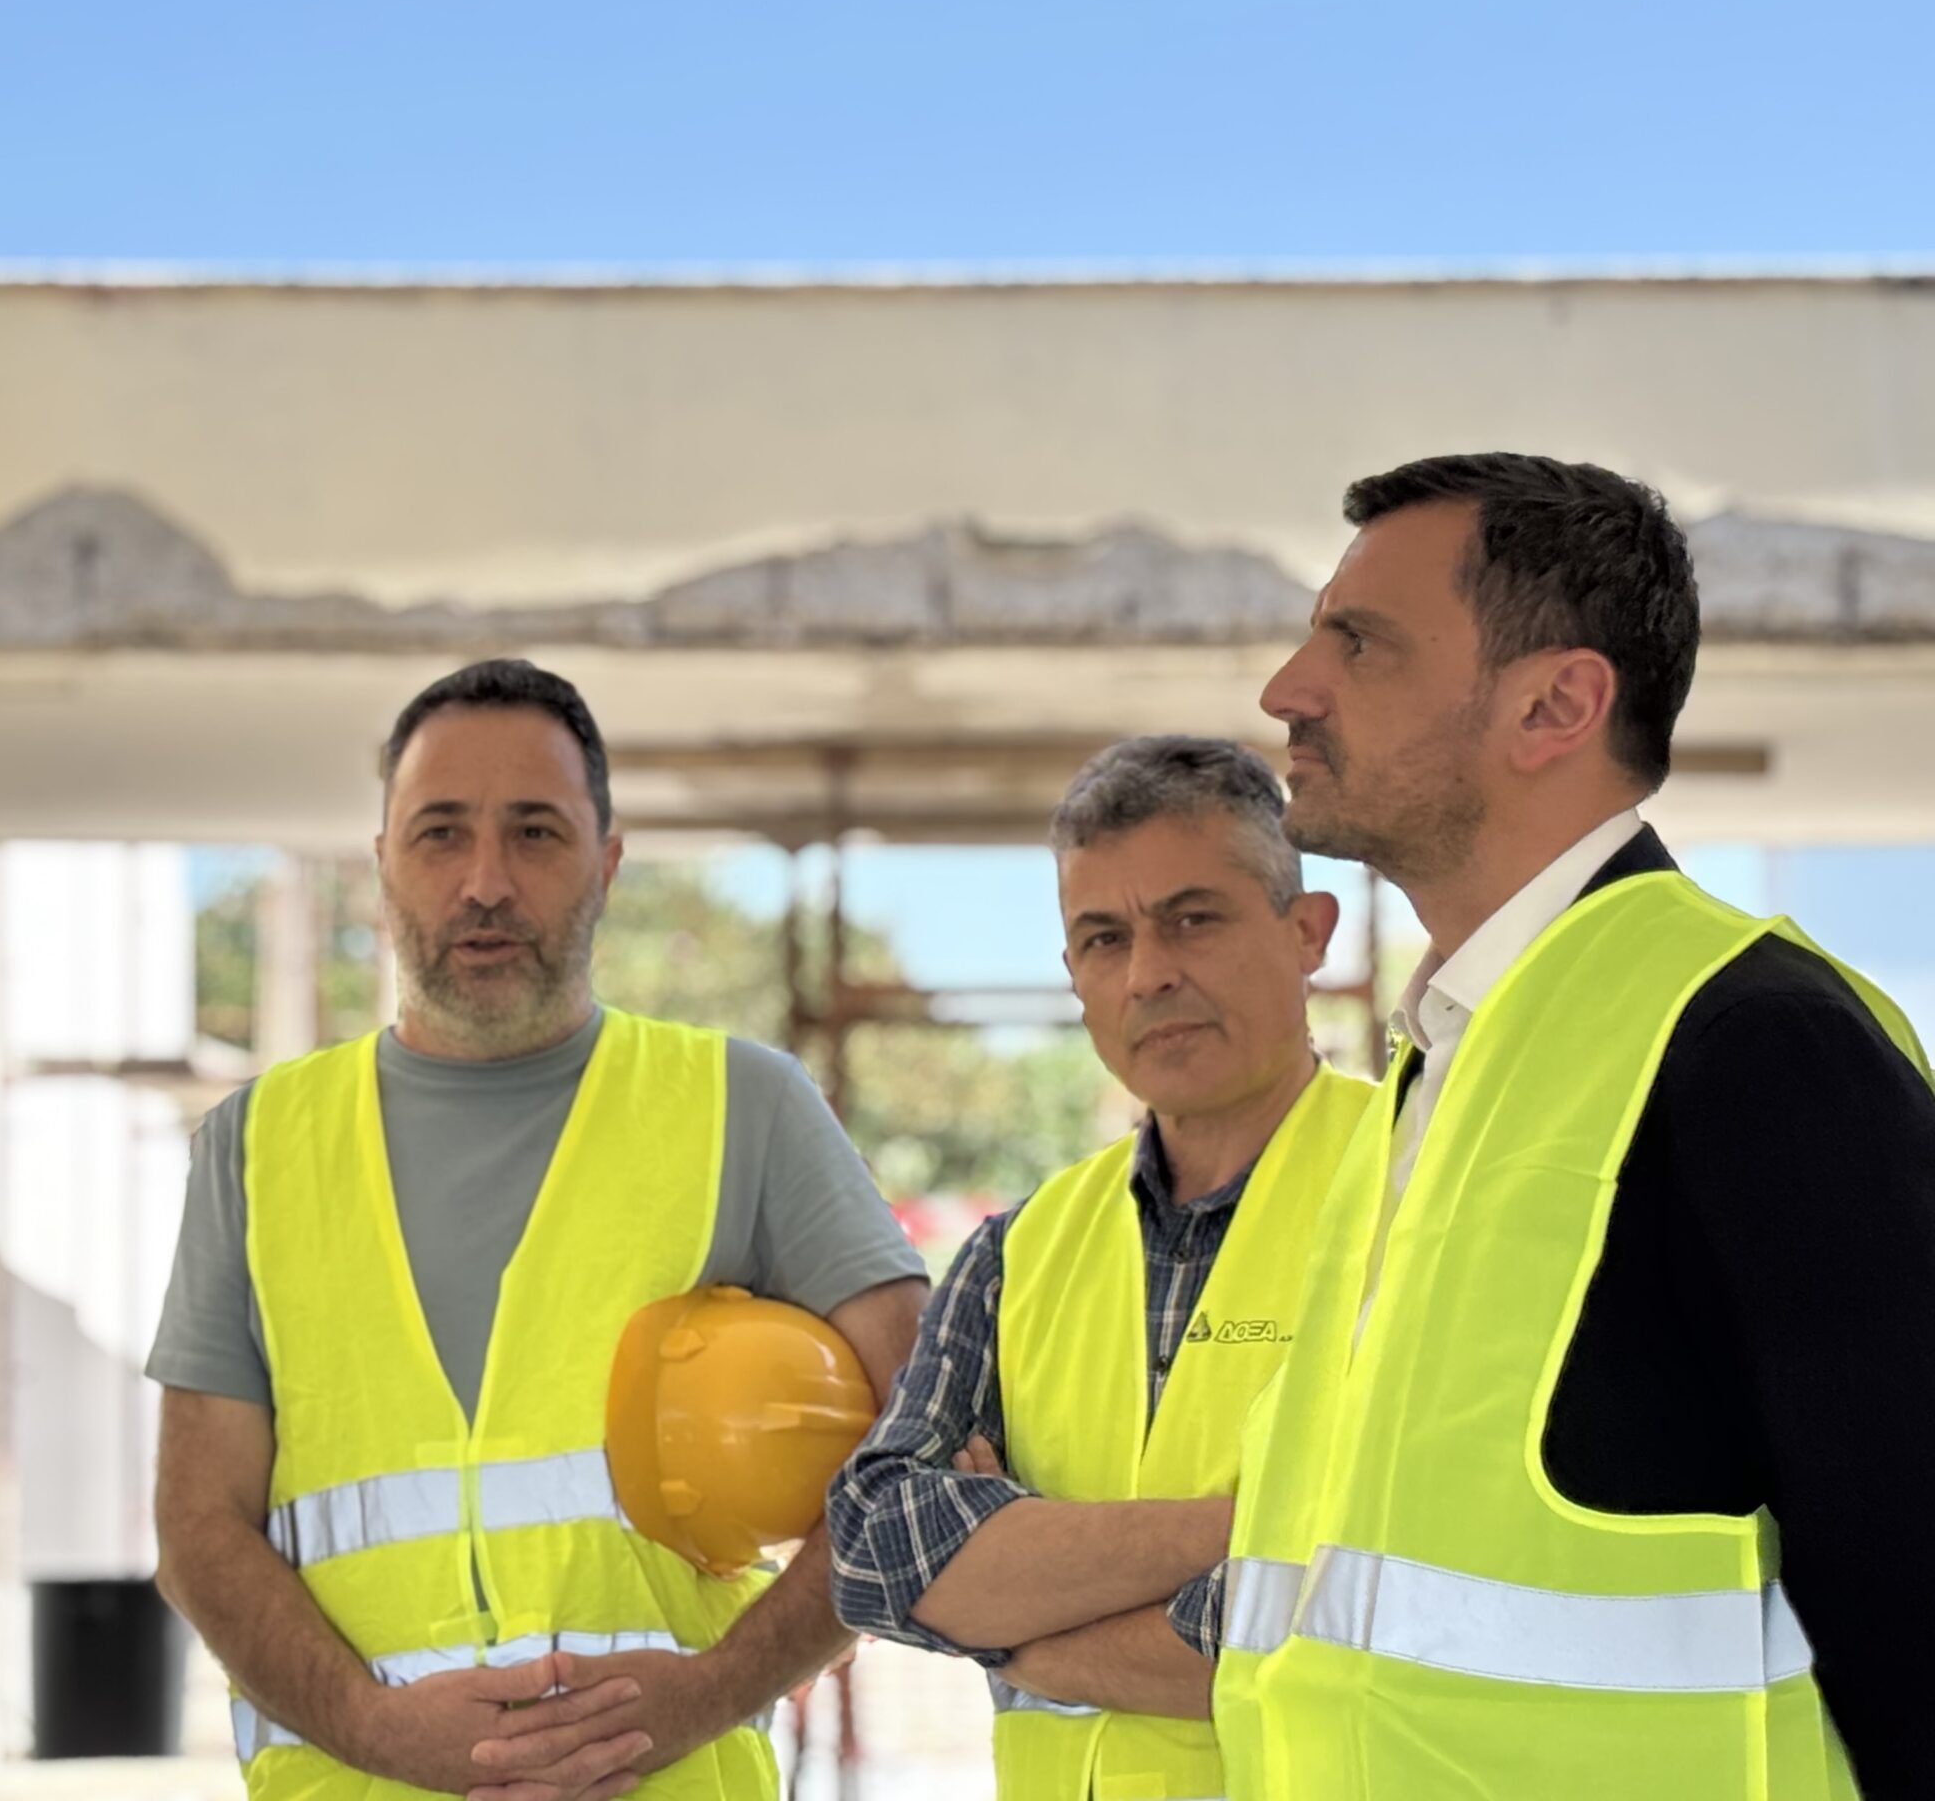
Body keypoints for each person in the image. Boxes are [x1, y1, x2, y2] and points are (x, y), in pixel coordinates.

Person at [1216, 452, 1935, 1799]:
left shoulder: (1756, 1042)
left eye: (1358, 642)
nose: (1287, 689)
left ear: (1554, 705)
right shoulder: (1444, 1061)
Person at [147, 658, 929, 1801]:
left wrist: (714, 1690)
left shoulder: (742, 1108)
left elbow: (918, 1448)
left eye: (535, 833)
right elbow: (197, 1528)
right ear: (383, 863)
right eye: (440, 834)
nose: (485, 882)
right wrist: (371, 1727)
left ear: (605, 862)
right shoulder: (256, 1146)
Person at [826, 736, 1372, 1800]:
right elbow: (872, 1552)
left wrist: (1014, 1611)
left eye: (1193, 919)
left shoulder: (1421, 1193)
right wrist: (1251, 1530)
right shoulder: (1018, 1251)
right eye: (1104, 938)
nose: (1149, 972)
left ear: (1308, 931)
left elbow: (1378, 1604)